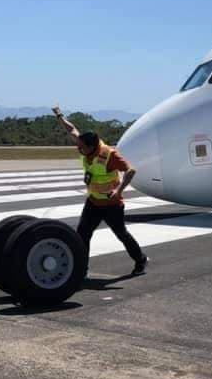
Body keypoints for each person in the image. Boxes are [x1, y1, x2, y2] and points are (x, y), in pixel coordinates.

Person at [52, 107, 148, 276]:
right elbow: (72, 130)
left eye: (81, 147)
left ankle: (140, 259)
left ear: (91, 146)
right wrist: (59, 116)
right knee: (82, 235)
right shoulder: (85, 147)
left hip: (112, 205)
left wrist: (118, 191)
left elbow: (131, 170)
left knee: (121, 234)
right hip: (93, 202)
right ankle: (81, 269)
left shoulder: (110, 155)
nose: (78, 149)